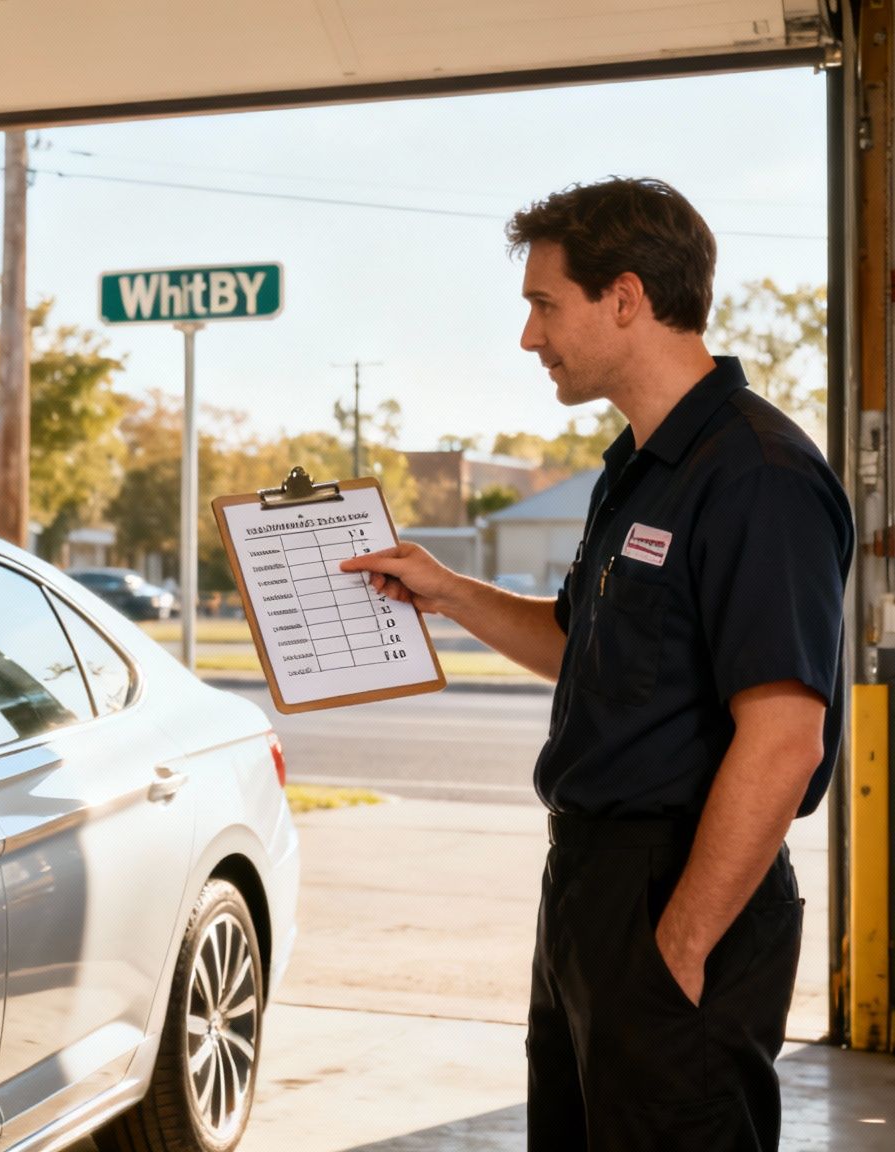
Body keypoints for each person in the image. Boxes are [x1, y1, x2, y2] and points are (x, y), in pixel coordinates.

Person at [343, 178, 852, 1151]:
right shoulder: (636, 468)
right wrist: (443, 590)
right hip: (589, 889)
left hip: (678, 885)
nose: (529, 338)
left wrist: (682, 942)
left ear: (623, 296)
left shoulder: (756, 475)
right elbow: (583, 647)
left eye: (543, 304)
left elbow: (784, 738)